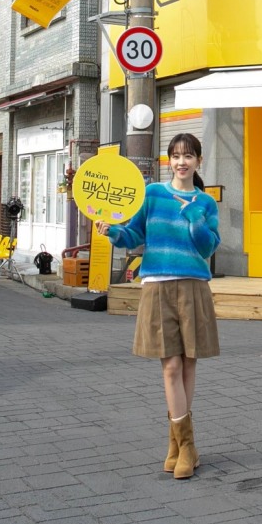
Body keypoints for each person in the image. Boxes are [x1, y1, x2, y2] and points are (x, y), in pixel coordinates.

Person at [97, 133, 220, 480]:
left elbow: (207, 247)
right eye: (176, 155)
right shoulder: (152, 195)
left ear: (198, 161)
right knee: (170, 367)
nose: (182, 162)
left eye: (189, 156)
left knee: (189, 364)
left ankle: (180, 447)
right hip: (157, 285)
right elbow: (135, 235)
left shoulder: (205, 202)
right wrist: (113, 232)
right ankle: (185, 444)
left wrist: (194, 214)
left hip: (194, 285)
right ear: (169, 160)